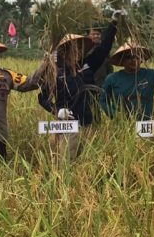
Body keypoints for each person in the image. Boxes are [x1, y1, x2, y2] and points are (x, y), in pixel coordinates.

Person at [38, 12, 120, 159]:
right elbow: (42, 98)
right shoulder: (55, 72)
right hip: (67, 124)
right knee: (66, 161)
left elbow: (104, 49)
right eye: (71, 49)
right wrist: (57, 111)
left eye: (78, 48)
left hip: (89, 121)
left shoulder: (87, 65)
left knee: (90, 160)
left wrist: (113, 23)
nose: (76, 52)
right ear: (63, 52)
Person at [100, 43, 154, 120]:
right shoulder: (112, 78)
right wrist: (114, 114)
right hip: (122, 125)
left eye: (137, 57)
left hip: (146, 124)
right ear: (122, 60)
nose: (134, 60)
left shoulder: (150, 74)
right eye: (129, 57)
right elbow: (103, 100)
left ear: (141, 59)